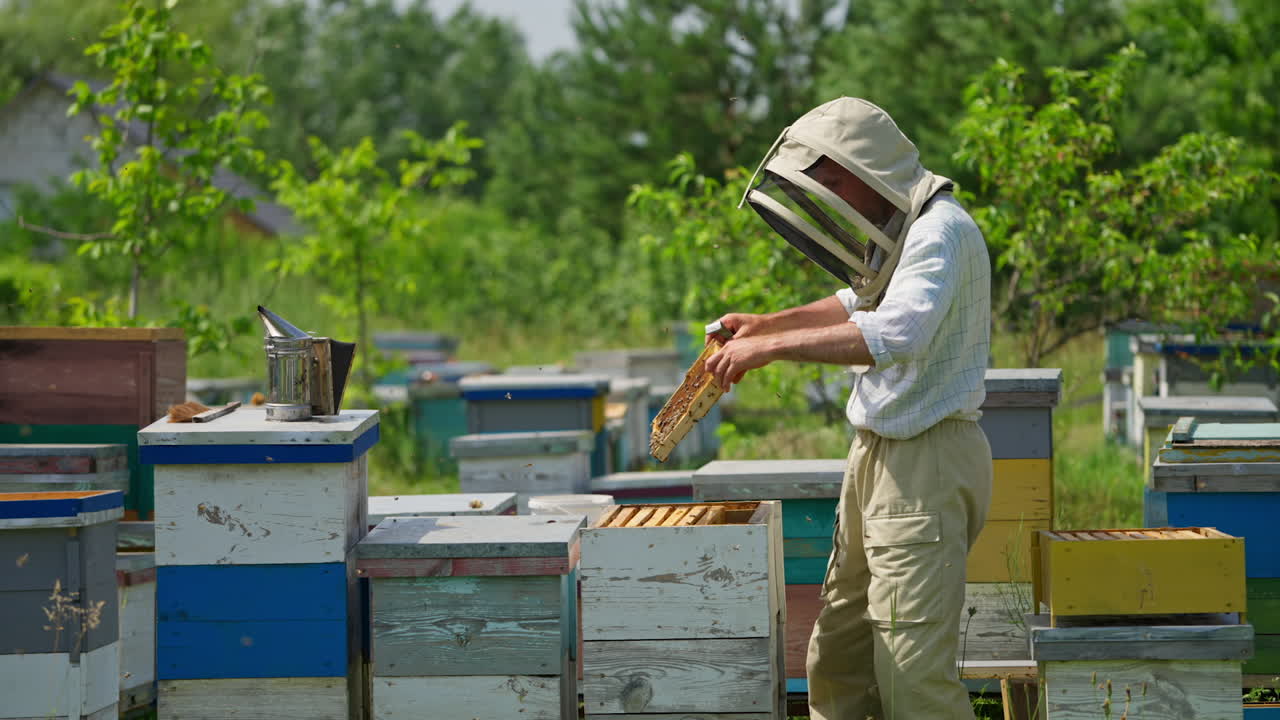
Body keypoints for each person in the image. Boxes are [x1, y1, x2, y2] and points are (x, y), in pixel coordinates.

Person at [703, 97, 993, 720]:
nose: (826, 194)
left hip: (926, 460)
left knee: (912, 678)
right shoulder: (904, 235)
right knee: (838, 661)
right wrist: (766, 322)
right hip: (879, 457)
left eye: (831, 180)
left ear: (867, 171)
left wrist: (770, 349)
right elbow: (855, 302)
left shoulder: (941, 230)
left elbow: (895, 333)